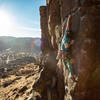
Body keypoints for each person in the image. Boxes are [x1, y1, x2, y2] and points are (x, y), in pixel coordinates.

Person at [56, 15, 75, 81]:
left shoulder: (65, 34)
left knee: (65, 61)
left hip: (62, 51)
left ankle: (66, 67)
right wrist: (71, 43)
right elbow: (67, 45)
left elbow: (67, 26)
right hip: (64, 52)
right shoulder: (67, 39)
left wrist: (69, 19)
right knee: (69, 62)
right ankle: (72, 75)